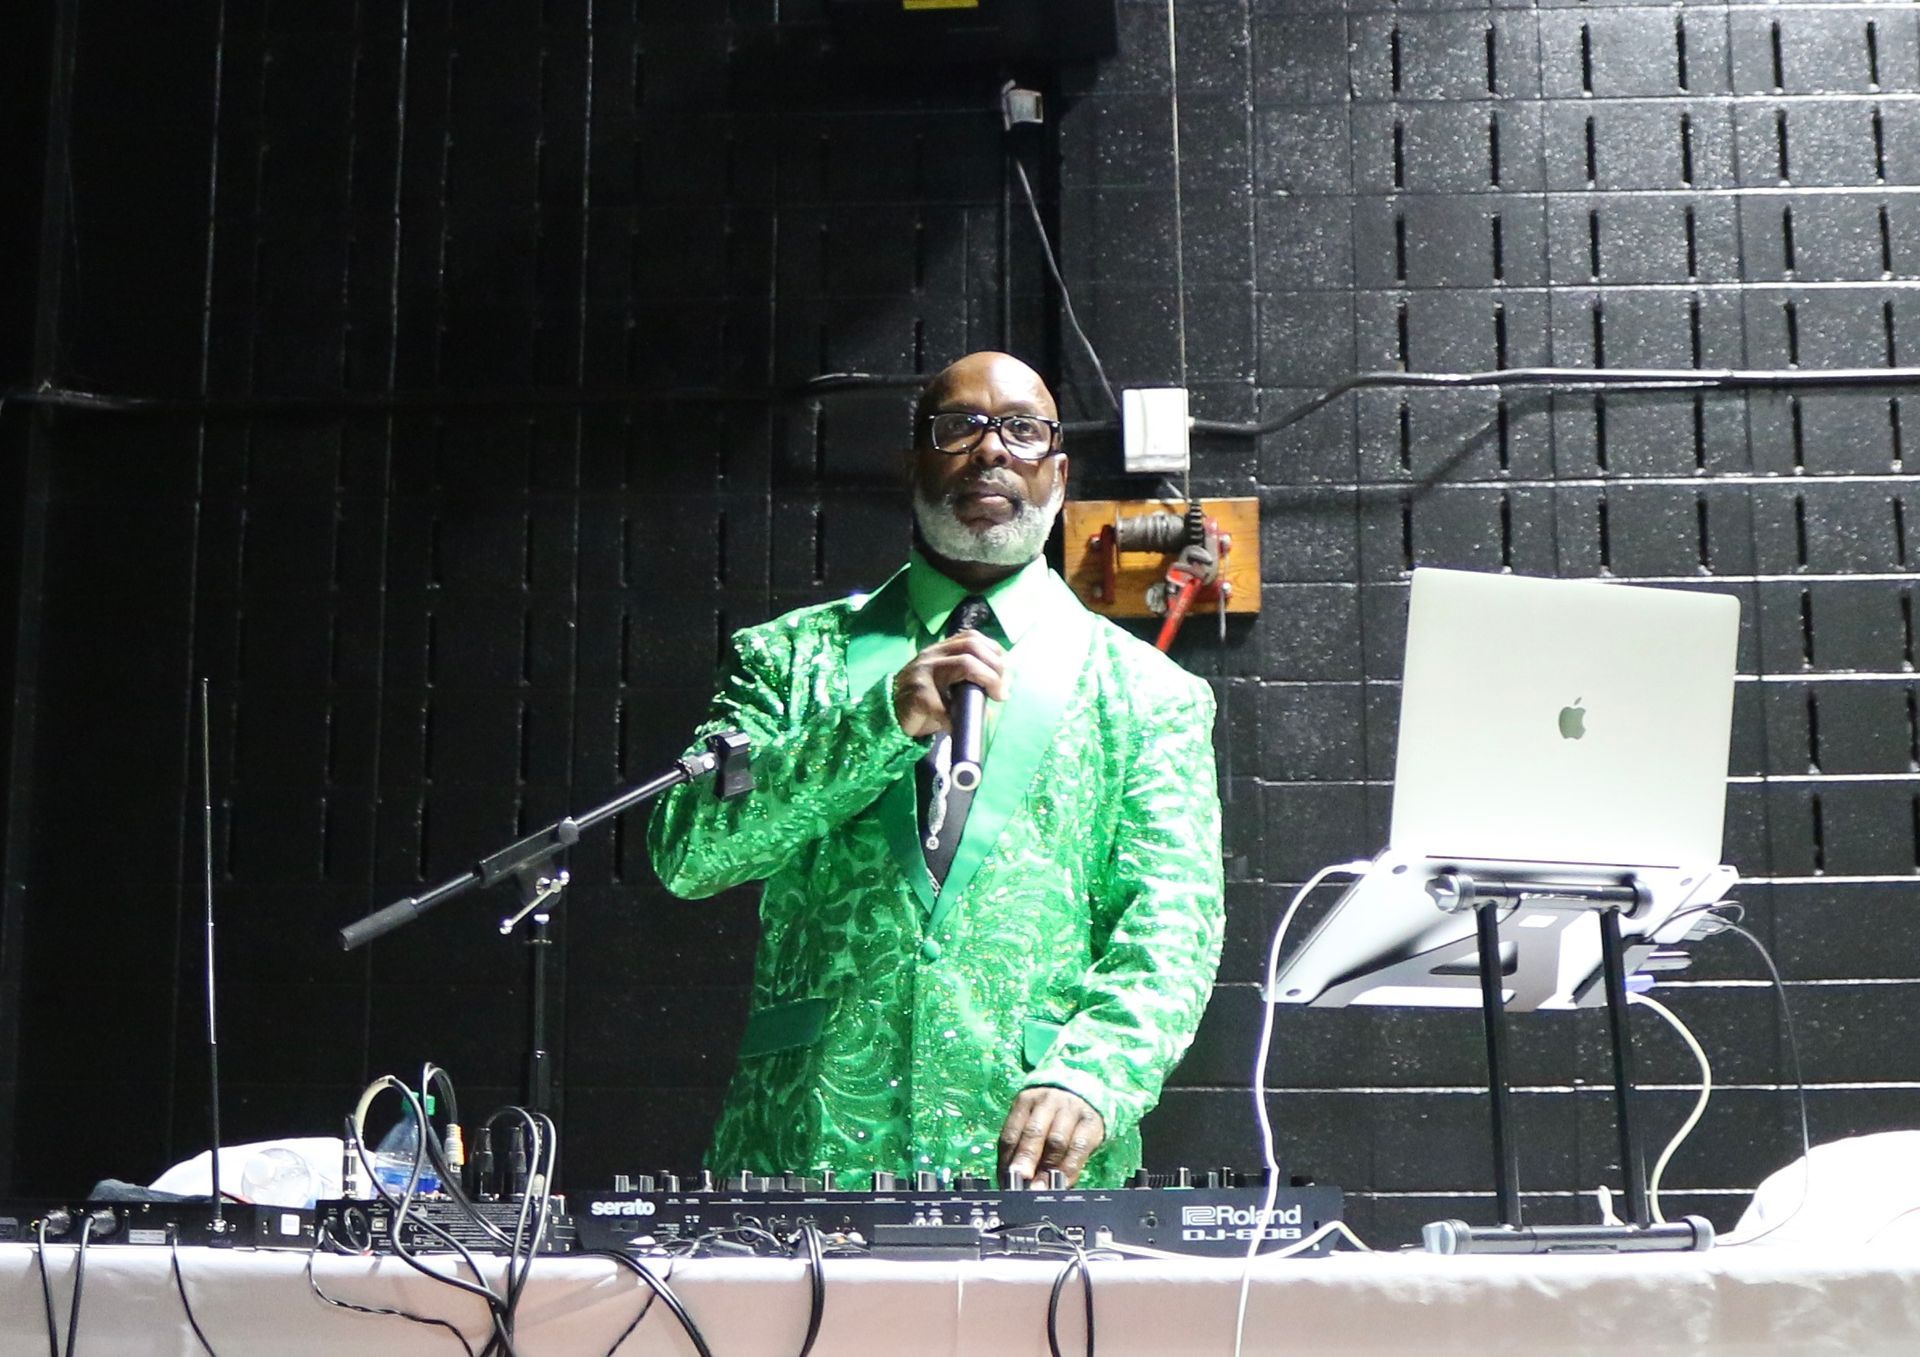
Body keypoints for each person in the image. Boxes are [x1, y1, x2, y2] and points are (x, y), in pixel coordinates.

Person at [649, 351, 1223, 1188]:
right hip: (805, 1148)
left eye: (1022, 430)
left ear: (1060, 475)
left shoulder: (1149, 692)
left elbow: (1172, 924)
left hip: (1037, 1163)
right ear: (911, 464)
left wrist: (1093, 1075)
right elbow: (690, 854)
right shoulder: (788, 658)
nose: (992, 449)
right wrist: (876, 724)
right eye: (959, 427)